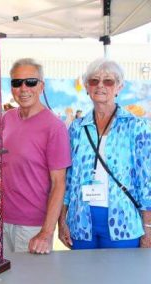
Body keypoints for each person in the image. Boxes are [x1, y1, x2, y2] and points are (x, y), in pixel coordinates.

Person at [58, 58, 151, 250]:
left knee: (120, 279)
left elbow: (146, 181)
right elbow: (68, 178)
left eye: (108, 81)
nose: (100, 86)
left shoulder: (136, 126)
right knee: (82, 278)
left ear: (119, 87)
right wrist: (62, 220)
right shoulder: (77, 127)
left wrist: (148, 228)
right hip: (81, 221)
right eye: (94, 80)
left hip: (123, 222)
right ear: (86, 86)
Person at [2, 58, 71, 254]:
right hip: (2, 222)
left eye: (30, 82)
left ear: (42, 86)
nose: (24, 88)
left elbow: (59, 183)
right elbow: (2, 168)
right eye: (17, 82)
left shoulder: (54, 127)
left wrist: (46, 233)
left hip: (33, 227)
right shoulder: (6, 119)